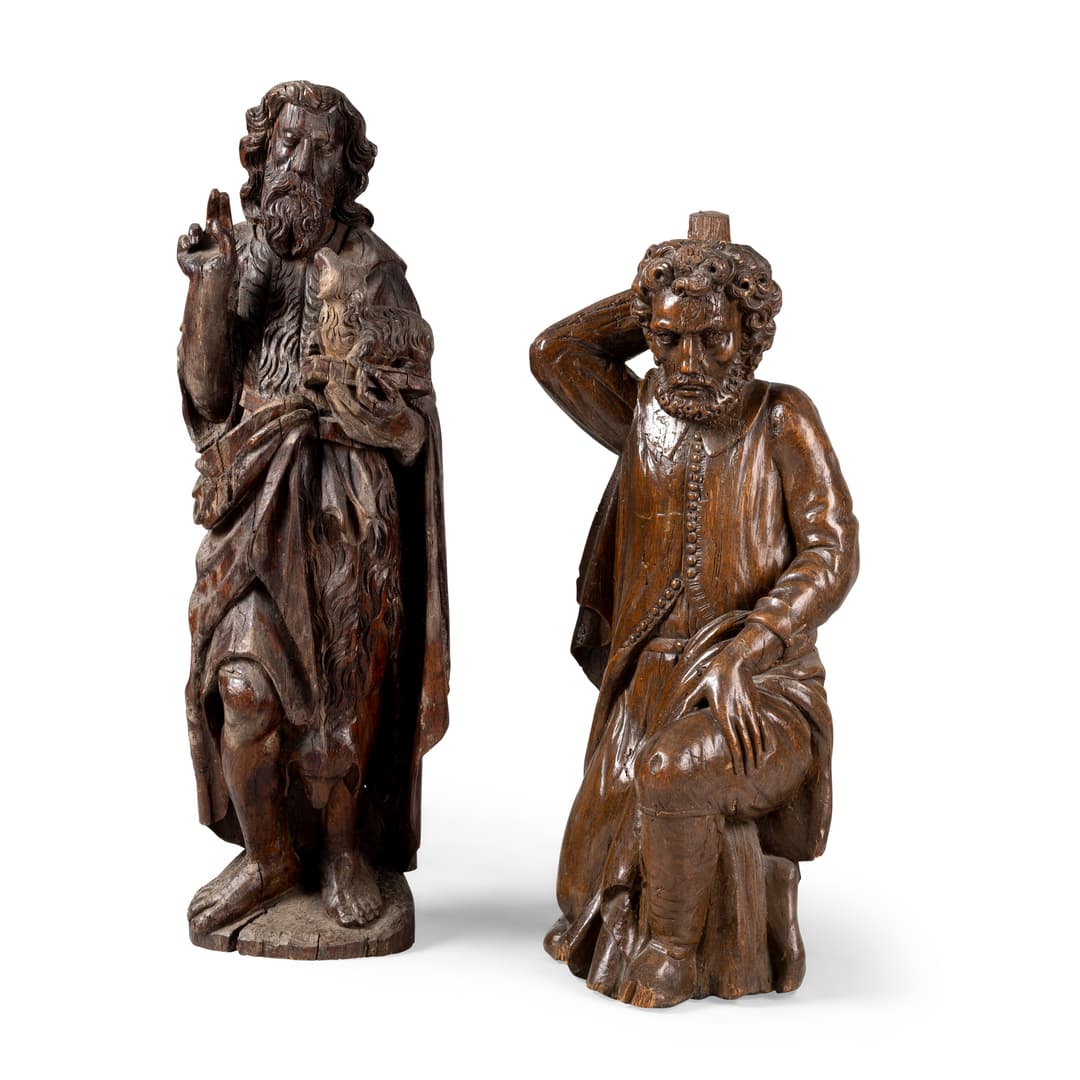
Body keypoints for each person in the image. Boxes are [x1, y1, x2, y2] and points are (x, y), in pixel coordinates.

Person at [530, 215, 858, 1006]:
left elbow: (834, 550)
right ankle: (724, 897)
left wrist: (755, 643)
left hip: (762, 687)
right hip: (647, 687)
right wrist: (662, 287)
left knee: (673, 774)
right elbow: (555, 354)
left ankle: (673, 949)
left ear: (751, 336)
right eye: (668, 340)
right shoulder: (643, 412)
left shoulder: (782, 417)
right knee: (581, 885)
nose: (688, 362)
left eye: (712, 339)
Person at [177, 82, 448, 939]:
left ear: (345, 171)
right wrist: (210, 286)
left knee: (339, 706)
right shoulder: (240, 259)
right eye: (285, 146)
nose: (299, 164)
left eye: (319, 149)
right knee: (242, 689)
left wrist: (371, 414)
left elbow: (416, 427)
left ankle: (340, 851)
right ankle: (267, 855)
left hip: (345, 515)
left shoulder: (376, 272)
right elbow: (207, 394)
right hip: (253, 506)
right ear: (261, 160)